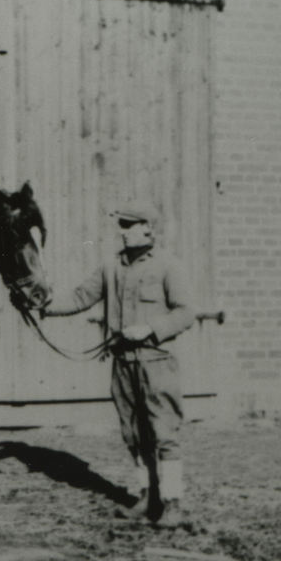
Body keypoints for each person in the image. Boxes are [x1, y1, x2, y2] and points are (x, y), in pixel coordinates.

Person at [40, 204, 195, 526]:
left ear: (148, 228)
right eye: (121, 225)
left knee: (163, 433)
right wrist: (43, 306)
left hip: (156, 364)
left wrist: (150, 329)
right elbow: (82, 297)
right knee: (134, 435)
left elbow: (185, 313)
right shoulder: (112, 266)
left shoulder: (169, 265)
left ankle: (172, 503)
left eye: (129, 225)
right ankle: (146, 496)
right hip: (123, 364)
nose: (122, 230)